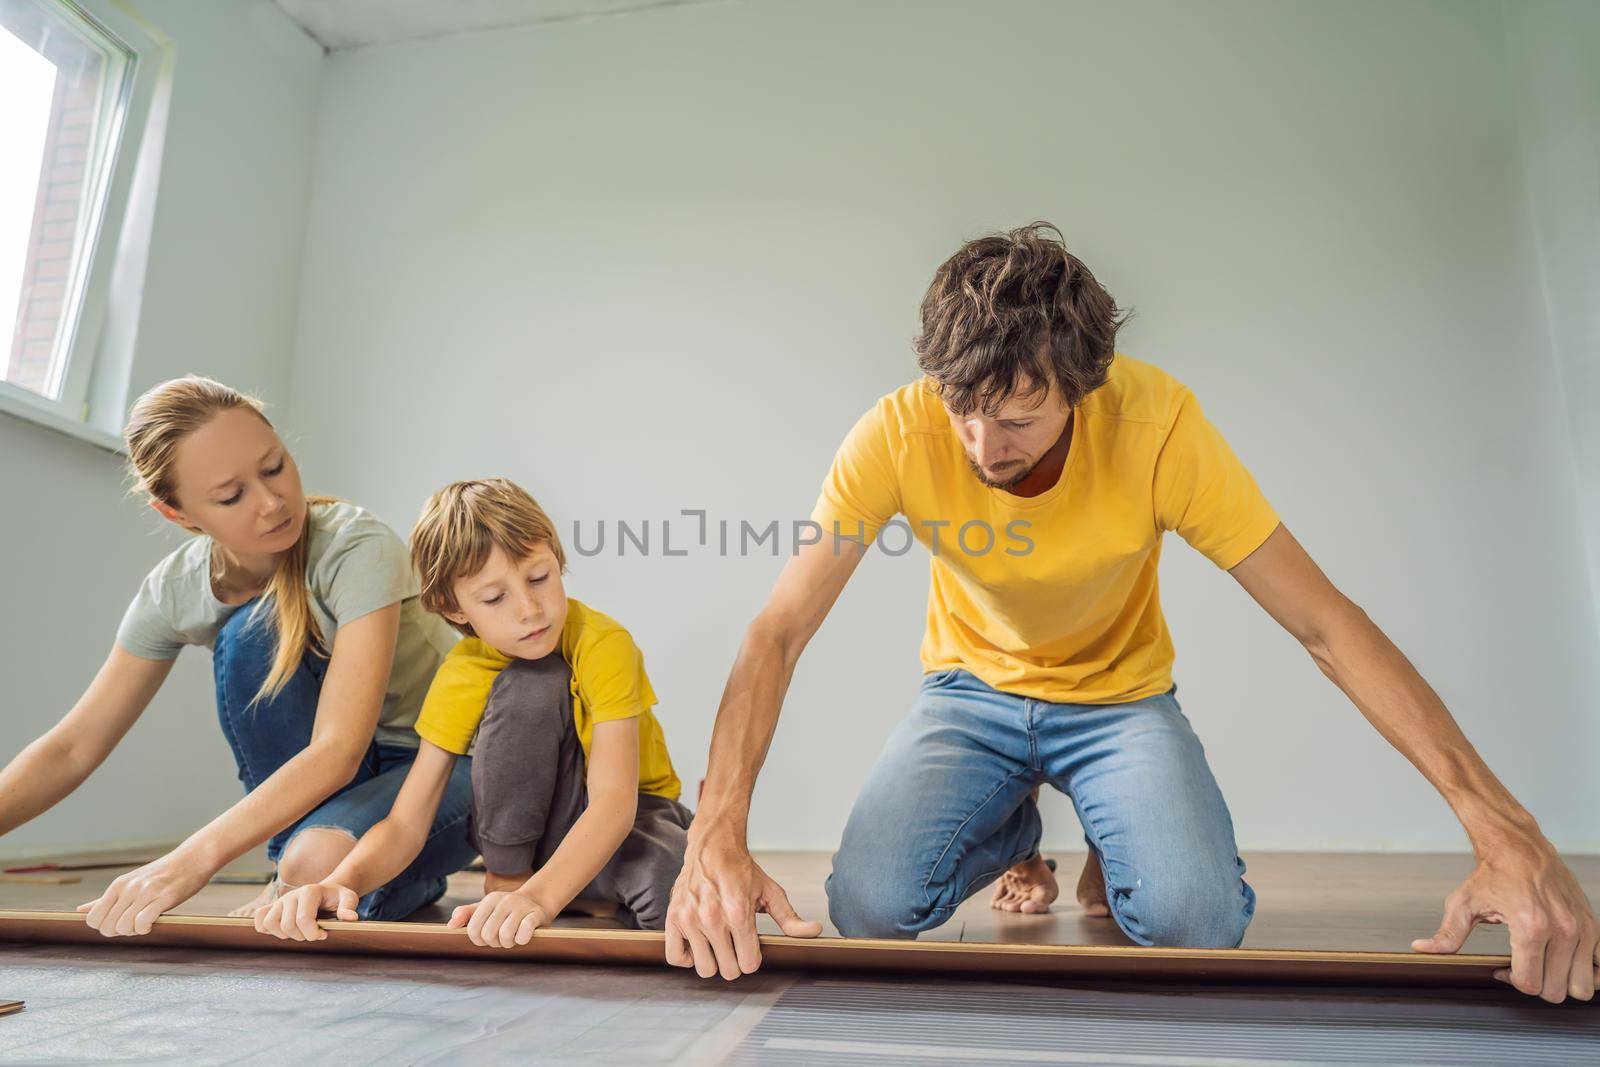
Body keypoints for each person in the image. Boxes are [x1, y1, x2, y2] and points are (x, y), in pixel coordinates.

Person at [665, 223, 1598, 1004]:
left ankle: (1107, 834)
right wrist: (716, 835)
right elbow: (776, 631)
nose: (984, 446)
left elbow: (1327, 624)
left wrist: (1506, 832)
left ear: (1082, 387)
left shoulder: (1158, 426)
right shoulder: (898, 430)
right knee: (869, 907)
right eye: (963, 410)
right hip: (970, 693)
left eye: (1018, 418)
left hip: (1120, 701)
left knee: (1193, 924)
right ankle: (1016, 822)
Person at [0, 376, 476, 935]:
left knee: (312, 870)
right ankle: (325, 864)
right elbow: (72, 747)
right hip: (345, 777)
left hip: (444, 759)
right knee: (251, 631)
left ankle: (380, 871)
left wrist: (189, 862)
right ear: (179, 516)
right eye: (231, 496)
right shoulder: (174, 590)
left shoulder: (357, 547)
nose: (272, 502)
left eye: (274, 467)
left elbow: (337, 751)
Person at [254, 478, 690, 946]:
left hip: (628, 816)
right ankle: (510, 882)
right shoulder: (462, 672)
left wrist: (540, 900)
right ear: (453, 607)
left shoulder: (604, 644)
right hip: (533, 836)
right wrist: (344, 880)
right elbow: (406, 822)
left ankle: (570, 891)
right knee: (532, 684)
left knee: (679, 900)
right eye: (494, 598)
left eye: (539, 578)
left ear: (558, 561)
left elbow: (614, 802)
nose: (530, 609)